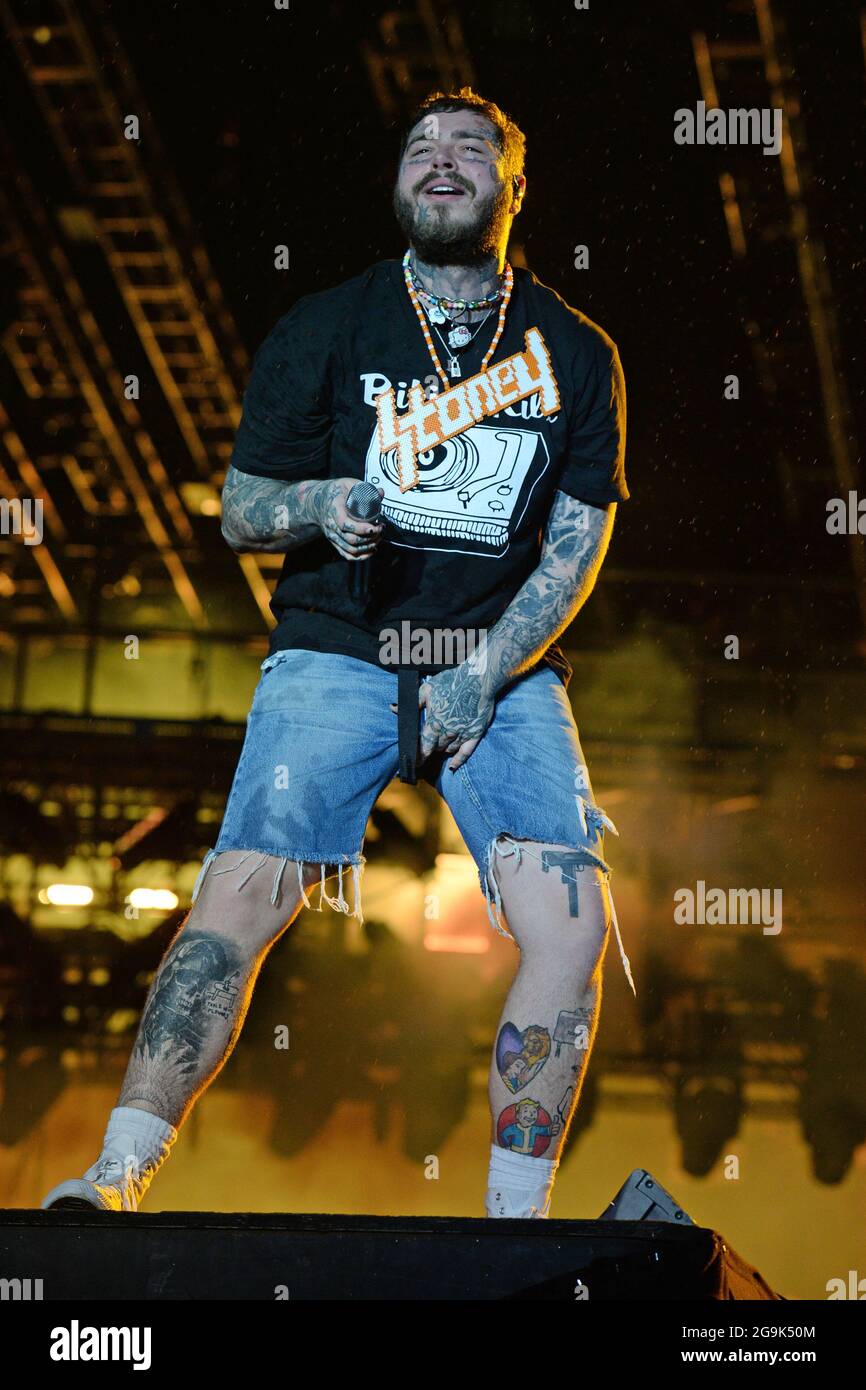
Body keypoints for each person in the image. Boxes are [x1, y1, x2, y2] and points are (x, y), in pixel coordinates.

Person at [42, 87, 632, 1221]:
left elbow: (576, 544)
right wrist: (319, 499)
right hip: (337, 646)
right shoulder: (324, 325)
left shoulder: (574, 350)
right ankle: (115, 1179)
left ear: (515, 188)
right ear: (398, 183)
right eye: (421, 148)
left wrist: (485, 667)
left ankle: (513, 1224)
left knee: (572, 919)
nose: (442, 162)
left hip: (500, 660)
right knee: (240, 896)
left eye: (471, 148)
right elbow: (239, 508)